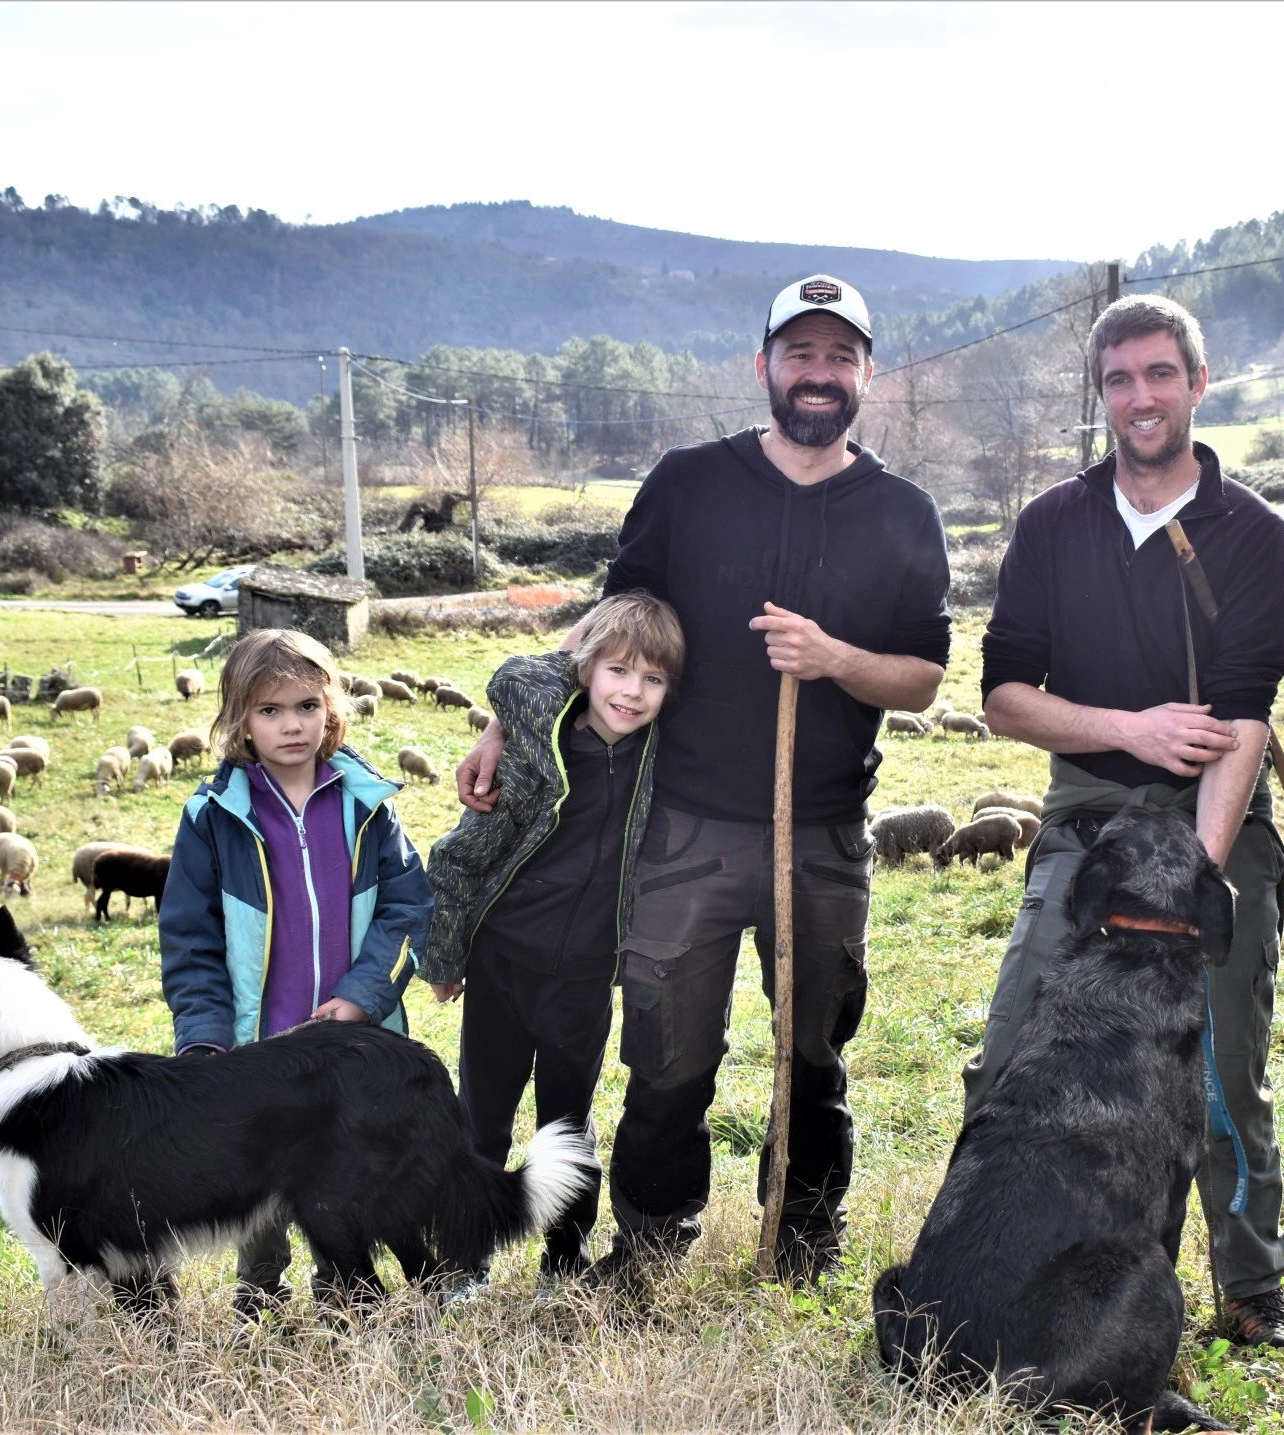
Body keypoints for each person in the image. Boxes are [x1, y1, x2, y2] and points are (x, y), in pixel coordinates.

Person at [457, 275, 951, 1283]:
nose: (818, 374)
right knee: (667, 1055)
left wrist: (833, 659)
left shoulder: (902, 513)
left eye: (839, 357)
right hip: (678, 825)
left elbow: (925, 676)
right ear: (762, 364)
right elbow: (606, 633)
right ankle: (650, 1240)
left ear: (868, 374)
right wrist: (510, 725)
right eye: (799, 353)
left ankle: (801, 1238)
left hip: (819, 836)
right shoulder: (687, 483)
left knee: (811, 1055)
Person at [969, 293, 1284, 1349]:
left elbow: (1243, 718)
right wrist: (1127, 725)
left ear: (1196, 385)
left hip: (1212, 811)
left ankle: (1250, 1287)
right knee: (1013, 1050)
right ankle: (987, 1266)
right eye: (1118, 378)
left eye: (1160, 374)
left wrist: (1194, 880)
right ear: (1100, 393)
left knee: (1214, 1065)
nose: (1139, 396)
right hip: (1088, 814)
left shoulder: (1249, 533)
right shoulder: (1052, 524)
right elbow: (1003, 695)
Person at [158, 627, 434, 1317]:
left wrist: (363, 995)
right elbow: (189, 940)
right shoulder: (213, 817)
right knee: (261, 1182)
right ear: (239, 720)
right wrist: (204, 1040)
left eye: (307, 705)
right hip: (259, 1047)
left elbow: (408, 906)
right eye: (270, 710)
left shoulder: (366, 804)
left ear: (332, 707)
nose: (292, 724)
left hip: (354, 1042)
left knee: (351, 1169)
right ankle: (260, 1294)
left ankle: (346, 1291)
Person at [421, 591, 684, 1289]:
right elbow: (462, 853)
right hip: (502, 962)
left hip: (586, 977)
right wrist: (445, 953)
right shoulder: (541, 745)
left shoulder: (662, 756)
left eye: (653, 679)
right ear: (585, 670)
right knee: (482, 1118)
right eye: (618, 671)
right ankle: (465, 1256)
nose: (632, 691)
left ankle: (563, 1259)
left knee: (566, 1124)